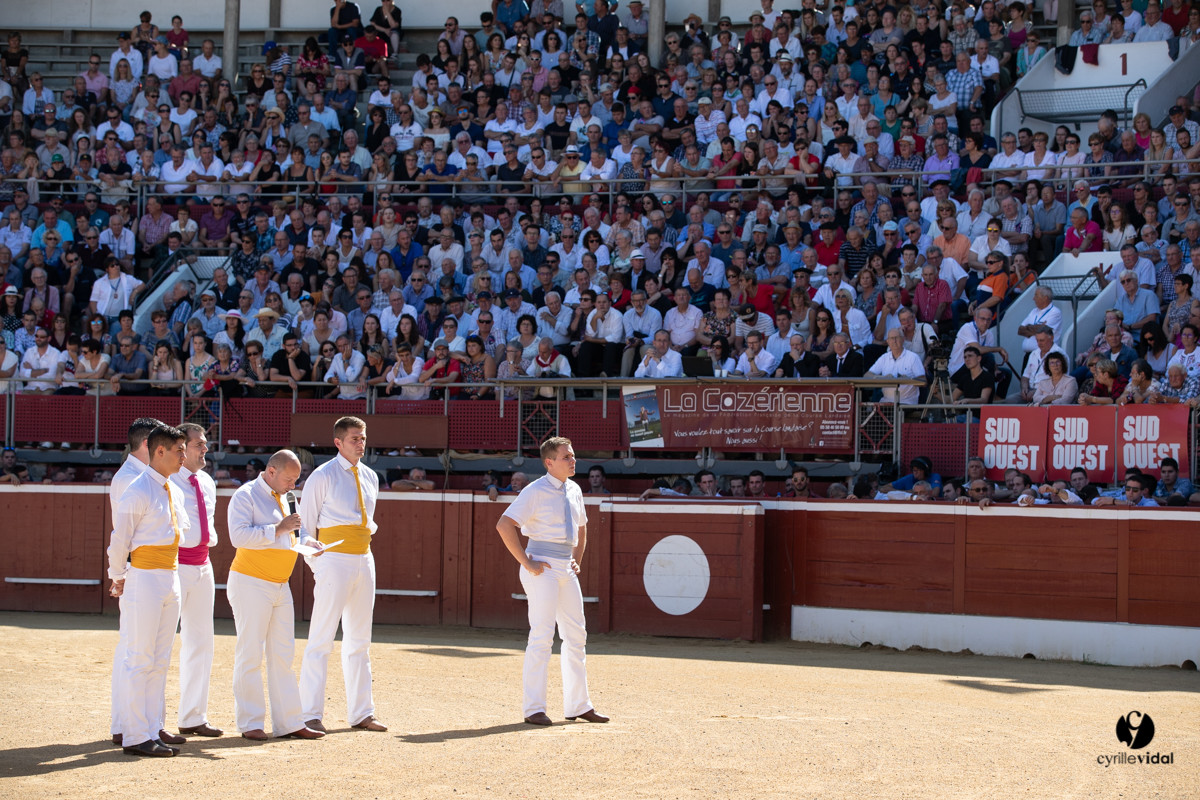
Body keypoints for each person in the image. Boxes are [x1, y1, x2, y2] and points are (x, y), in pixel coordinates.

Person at [495, 436, 608, 726]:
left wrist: (577, 560)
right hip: (541, 566)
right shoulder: (535, 490)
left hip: (564, 568)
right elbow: (504, 524)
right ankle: (534, 707)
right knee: (542, 635)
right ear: (549, 462)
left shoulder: (575, 489)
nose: (573, 461)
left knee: (576, 635)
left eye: (572, 456)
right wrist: (526, 562)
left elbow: (582, 529)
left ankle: (578, 705)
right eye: (566, 457)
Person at [227, 449, 326, 741]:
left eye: (296, 479)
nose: (293, 485)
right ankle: (250, 722)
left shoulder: (287, 497)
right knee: (250, 653)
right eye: (289, 478)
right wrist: (278, 528)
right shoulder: (245, 495)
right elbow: (238, 536)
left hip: (281, 584)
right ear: (271, 472)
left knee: (283, 655)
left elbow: (297, 533)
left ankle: (289, 722)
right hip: (250, 582)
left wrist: (310, 542)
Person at [108, 425, 191, 757]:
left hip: (169, 575)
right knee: (140, 658)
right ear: (159, 452)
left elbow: (178, 534)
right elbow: (119, 541)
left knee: (158, 659)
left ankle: (151, 727)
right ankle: (135, 735)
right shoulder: (137, 489)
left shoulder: (174, 490)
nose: (184, 456)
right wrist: (118, 575)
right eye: (179, 450)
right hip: (143, 576)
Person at [299, 416, 387, 733]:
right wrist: (317, 563)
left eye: (362, 438)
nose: (360, 444)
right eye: (354, 439)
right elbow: (306, 526)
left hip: (364, 556)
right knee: (321, 638)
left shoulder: (370, 476)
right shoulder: (322, 475)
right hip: (333, 557)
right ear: (338, 442)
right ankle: (309, 713)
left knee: (360, 639)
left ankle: (362, 712)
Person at [167, 423, 222, 739]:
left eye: (205, 444)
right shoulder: (168, 480)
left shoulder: (207, 481)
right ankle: (150, 723)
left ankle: (192, 716)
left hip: (203, 565)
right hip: (174, 565)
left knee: (201, 643)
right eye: (199, 444)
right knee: (162, 643)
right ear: (181, 448)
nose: (204, 449)